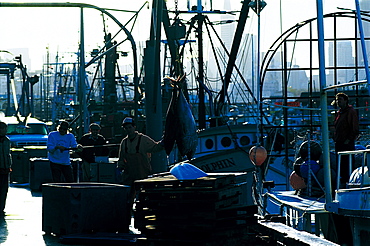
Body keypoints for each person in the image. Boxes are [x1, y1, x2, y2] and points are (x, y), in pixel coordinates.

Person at [117, 117, 164, 201]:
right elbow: (121, 158)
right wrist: (119, 169)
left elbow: (155, 147)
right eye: (126, 128)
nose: (128, 130)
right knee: (128, 198)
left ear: (134, 127)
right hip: (129, 176)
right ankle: (129, 212)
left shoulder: (143, 139)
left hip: (143, 174)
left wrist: (164, 142)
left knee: (145, 196)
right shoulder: (124, 142)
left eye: (130, 127)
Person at [333, 92, 359, 186]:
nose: (338, 102)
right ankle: (344, 181)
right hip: (339, 141)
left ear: (345, 101)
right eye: (337, 100)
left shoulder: (350, 112)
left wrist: (349, 139)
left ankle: (349, 181)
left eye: (340, 100)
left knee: (347, 162)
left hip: (346, 142)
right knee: (341, 163)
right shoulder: (340, 112)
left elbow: (354, 127)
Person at [0, 121, 12, 216]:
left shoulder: (7, 140)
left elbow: (8, 154)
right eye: (4, 129)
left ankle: (1, 208)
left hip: (5, 168)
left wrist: (9, 165)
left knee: (4, 189)